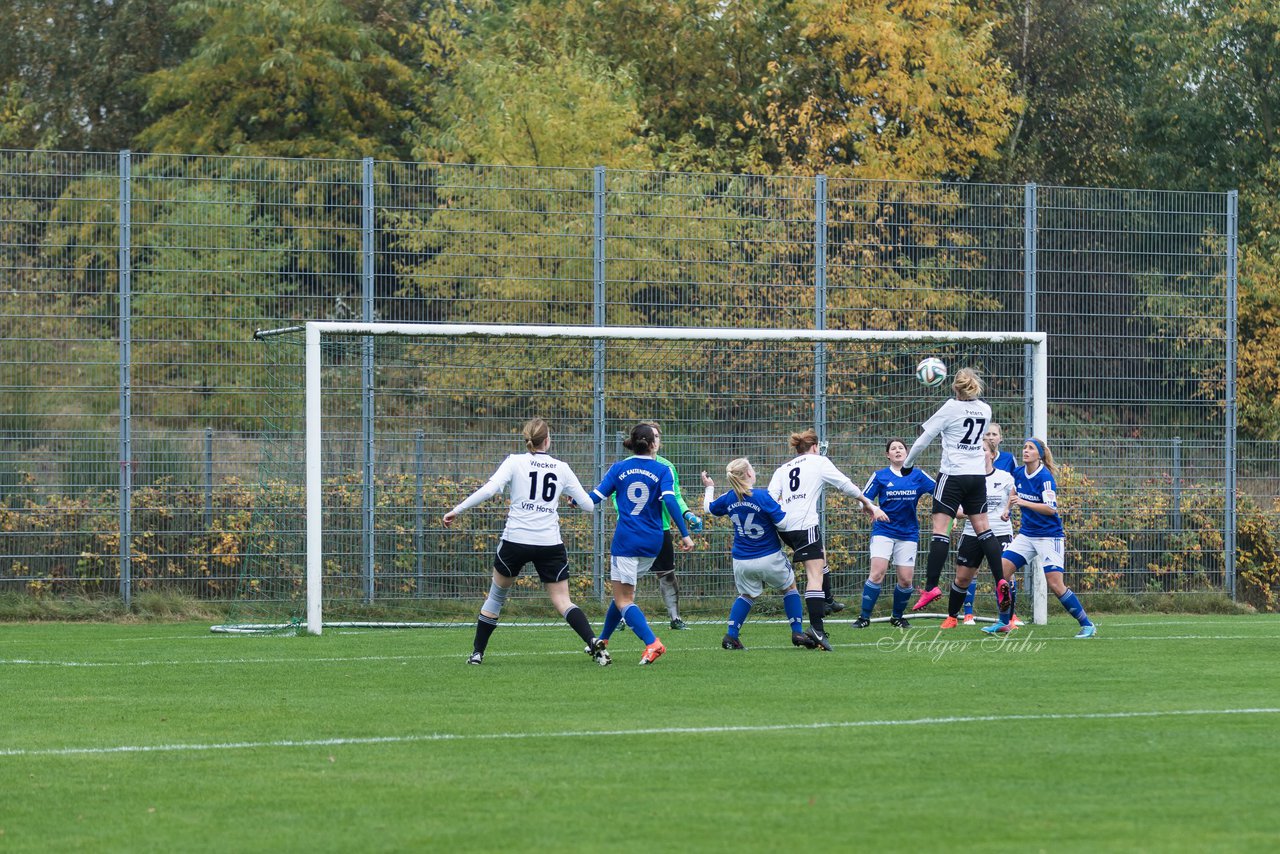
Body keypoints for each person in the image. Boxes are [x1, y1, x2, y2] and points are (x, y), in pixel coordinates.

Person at [442, 418, 608, 666]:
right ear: (548, 440)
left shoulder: (514, 461)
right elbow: (587, 505)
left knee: (497, 596)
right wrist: (574, 500)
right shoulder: (561, 467)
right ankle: (593, 640)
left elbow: (489, 490)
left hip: (515, 540)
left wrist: (457, 509)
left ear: (527, 439)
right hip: (549, 543)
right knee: (563, 601)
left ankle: (477, 654)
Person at [901, 368, 1010, 615]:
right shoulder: (985, 409)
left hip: (952, 476)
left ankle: (931, 587)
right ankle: (1000, 580)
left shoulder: (950, 407)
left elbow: (923, 440)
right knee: (984, 528)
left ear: (955, 387)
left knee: (941, 531)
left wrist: (908, 465)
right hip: (977, 477)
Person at [768, 429, 888, 650]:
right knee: (814, 575)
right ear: (814, 447)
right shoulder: (818, 461)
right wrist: (867, 504)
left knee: (820, 557)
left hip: (784, 526)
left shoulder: (782, 469)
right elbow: (845, 484)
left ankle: (827, 600)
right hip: (805, 525)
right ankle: (817, 627)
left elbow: (770, 498)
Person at [587, 422, 694, 665]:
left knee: (624, 598)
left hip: (627, 541)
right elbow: (670, 502)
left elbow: (596, 497)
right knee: (621, 594)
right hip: (653, 542)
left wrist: (576, 500)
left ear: (632, 443)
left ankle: (652, 643)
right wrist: (685, 534)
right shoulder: (662, 470)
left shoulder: (619, 468)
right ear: (653, 444)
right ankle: (602, 640)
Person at [983, 438, 1097, 638]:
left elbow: (1050, 508)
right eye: (1025, 447)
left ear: (1040, 455)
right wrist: (1007, 509)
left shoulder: (1045, 477)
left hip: (1049, 536)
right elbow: (1014, 491)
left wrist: (1023, 502)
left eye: (1031, 448)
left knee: (1055, 584)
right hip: (1027, 534)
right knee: (1001, 572)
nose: (1025, 451)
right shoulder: (1018, 473)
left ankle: (1087, 624)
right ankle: (1004, 622)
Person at [701, 459, 819, 650]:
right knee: (789, 588)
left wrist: (709, 488)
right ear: (748, 473)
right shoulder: (762, 497)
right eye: (752, 468)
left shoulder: (729, 497)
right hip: (768, 557)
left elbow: (708, 509)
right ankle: (797, 631)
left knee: (746, 595)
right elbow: (782, 523)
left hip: (741, 560)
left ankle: (731, 636)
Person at [853, 439, 935, 629]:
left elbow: (941, 491)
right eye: (893, 449)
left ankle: (897, 617)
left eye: (901, 448)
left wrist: (953, 512)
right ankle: (864, 617)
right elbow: (861, 501)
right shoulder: (880, 476)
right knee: (877, 574)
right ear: (887, 455)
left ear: (907, 453)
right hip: (884, 531)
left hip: (908, 533)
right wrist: (874, 509)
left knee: (906, 580)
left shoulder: (918, 475)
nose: (897, 451)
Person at [633, 421, 702, 630]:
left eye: (656, 436)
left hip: (660, 529)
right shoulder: (629, 464)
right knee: (628, 576)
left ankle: (675, 618)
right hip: (634, 529)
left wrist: (688, 514)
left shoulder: (667, 467)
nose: (653, 440)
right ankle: (622, 615)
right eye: (650, 435)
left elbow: (676, 498)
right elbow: (617, 496)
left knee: (666, 573)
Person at [939, 443, 1015, 629]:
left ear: (992, 454)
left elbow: (1014, 499)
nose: (978, 453)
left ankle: (1007, 619)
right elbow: (955, 509)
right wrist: (972, 514)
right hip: (972, 532)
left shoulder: (1005, 477)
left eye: (983, 450)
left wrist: (1007, 510)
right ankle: (952, 617)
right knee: (963, 578)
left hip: (1000, 532)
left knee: (1005, 575)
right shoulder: (966, 479)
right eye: (976, 450)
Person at [960, 421, 1018, 621]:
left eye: (994, 434)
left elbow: (1014, 491)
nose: (990, 437)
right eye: (986, 435)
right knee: (968, 572)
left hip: (1000, 526)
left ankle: (1010, 615)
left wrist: (1008, 510)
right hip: (975, 528)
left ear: (1000, 438)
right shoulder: (971, 465)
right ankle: (967, 613)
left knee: (1005, 570)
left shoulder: (1008, 463)